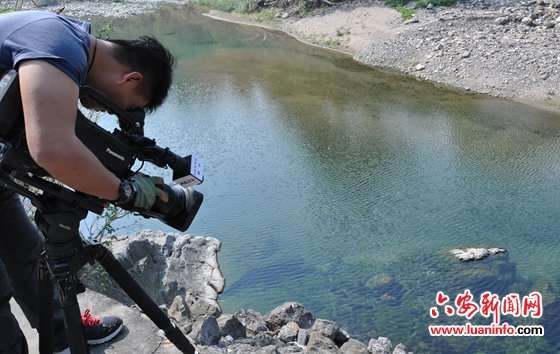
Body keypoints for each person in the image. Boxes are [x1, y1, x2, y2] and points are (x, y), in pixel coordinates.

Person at [0, 9, 176, 354]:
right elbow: (51, 148)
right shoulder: (60, 42)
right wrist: (124, 192)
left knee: (26, 253)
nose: (115, 113)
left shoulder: (67, 39)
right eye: (126, 108)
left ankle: (62, 336)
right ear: (131, 79)